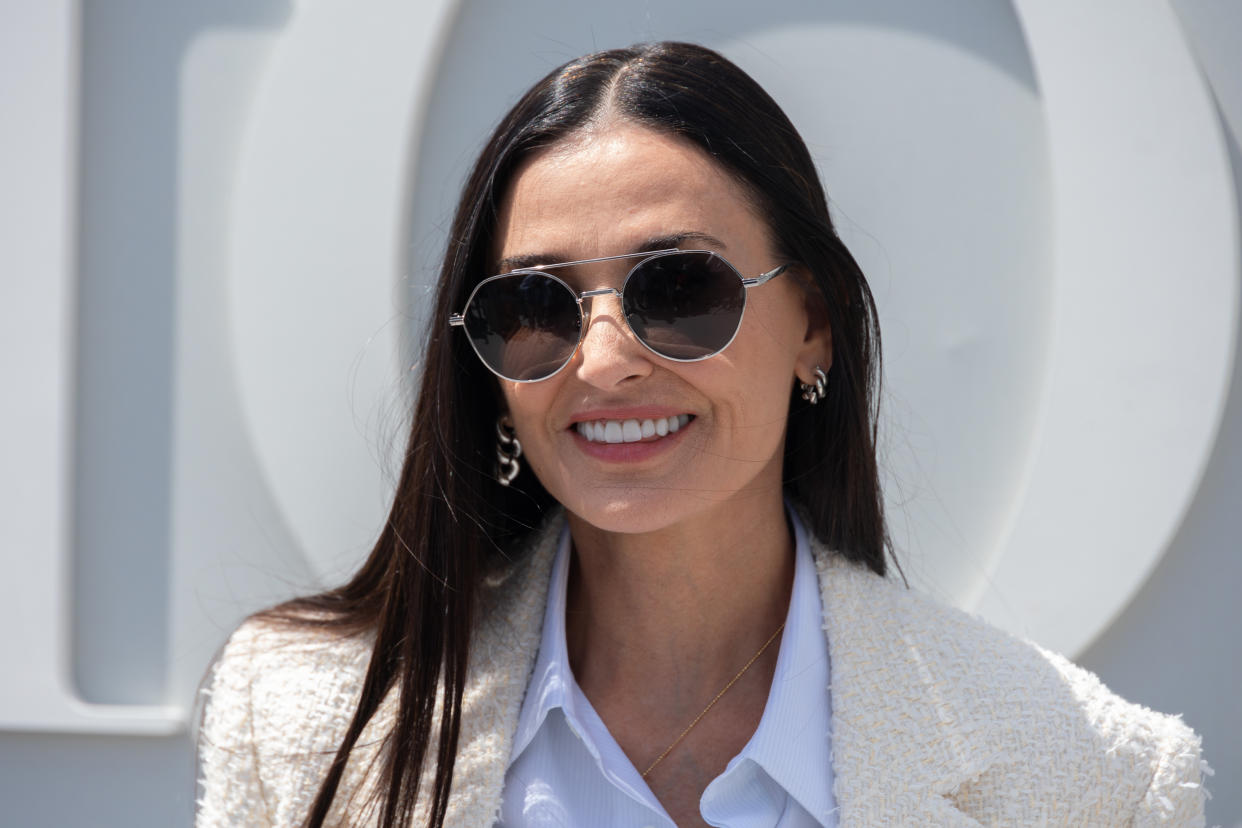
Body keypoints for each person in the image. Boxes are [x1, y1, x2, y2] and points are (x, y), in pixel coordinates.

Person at [196, 42, 1207, 827]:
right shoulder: (301, 717)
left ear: (813, 323)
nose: (601, 361)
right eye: (536, 305)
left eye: (678, 289)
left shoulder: (1083, 773)